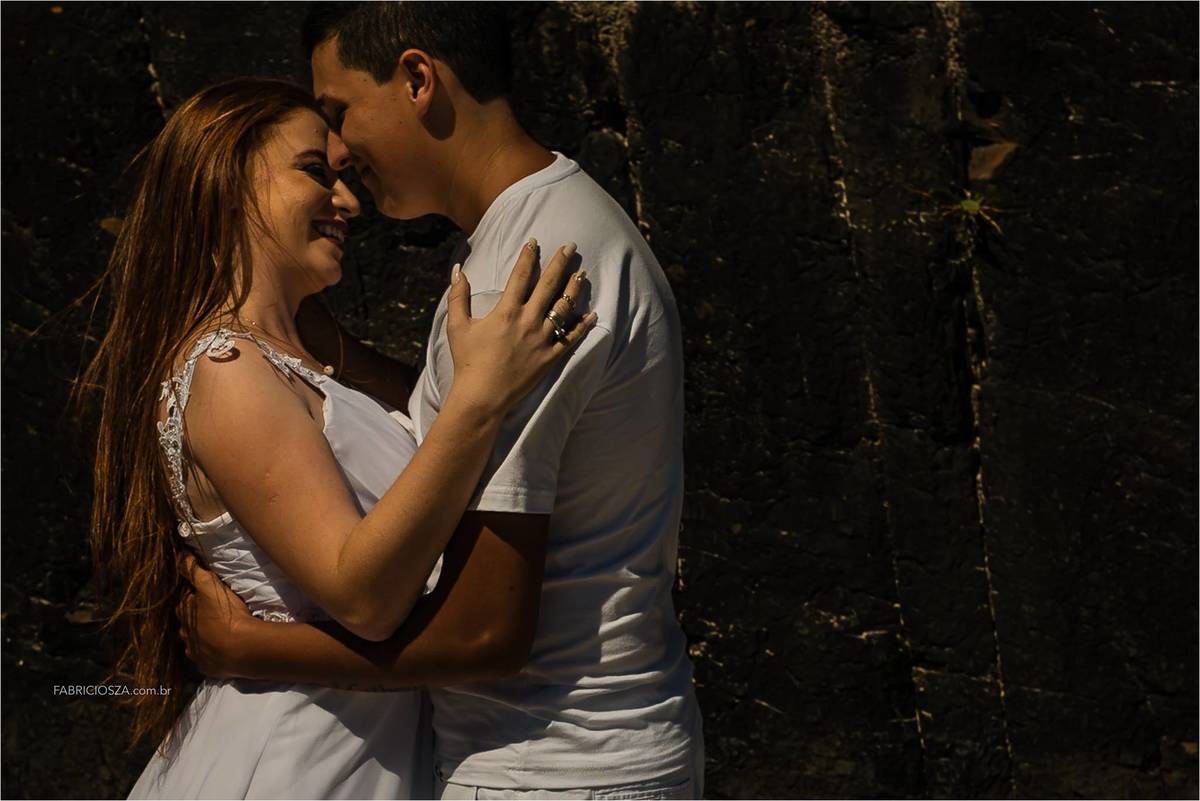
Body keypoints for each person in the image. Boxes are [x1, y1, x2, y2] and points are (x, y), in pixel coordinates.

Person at [180, 3, 706, 799]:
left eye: (340, 114)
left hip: (551, 764)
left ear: (419, 79)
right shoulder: (547, 228)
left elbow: (485, 629)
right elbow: (429, 423)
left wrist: (250, 645)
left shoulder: (522, 276)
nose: (343, 155)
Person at [76, 75, 595, 800]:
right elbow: (365, 596)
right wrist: (479, 401)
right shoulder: (226, 373)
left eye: (345, 178)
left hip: (356, 753)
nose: (348, 203)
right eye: (315, 173)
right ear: (226, 179)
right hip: (297, 762)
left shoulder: (293, 361)